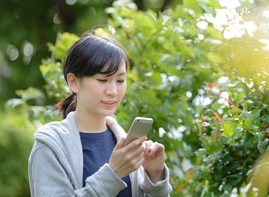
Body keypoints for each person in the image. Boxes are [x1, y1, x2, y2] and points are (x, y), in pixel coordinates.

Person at [28, 33, 172, 196]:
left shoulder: (124, 143)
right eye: (103, 80)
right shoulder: (50, 145)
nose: (113, 91)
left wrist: (155, 176)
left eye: (120, 80)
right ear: (73, 82)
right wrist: (113, 174)